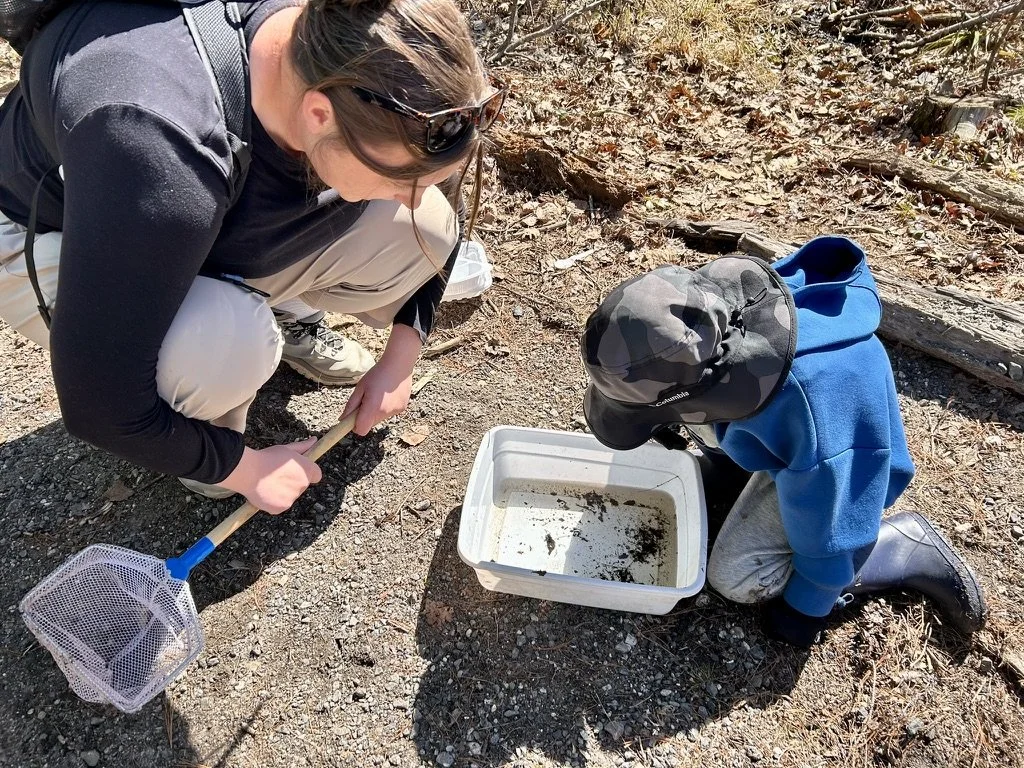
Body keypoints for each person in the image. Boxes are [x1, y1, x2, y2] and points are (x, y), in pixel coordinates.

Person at [0, 0, 504, 513]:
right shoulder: (159, 147)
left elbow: (442, 199)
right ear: (318, 115)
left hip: (189, 217)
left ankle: (270, 306)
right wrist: (243, 468)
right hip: (52, 230)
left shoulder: (353, 63)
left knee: (428, 230)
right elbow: (98, 404)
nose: (414, 195)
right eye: (399, 179)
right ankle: (202, 425)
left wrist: (401, 358)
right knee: (227, 339)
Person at [580, 236, 986, 647]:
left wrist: (810, 601)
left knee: (736, 579)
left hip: (832, 471)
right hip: (781, 431)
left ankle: (896, 545)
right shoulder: (703, 324)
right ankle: (735, 470)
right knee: (699, 437)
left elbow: (832, 512)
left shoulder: (812, 406)